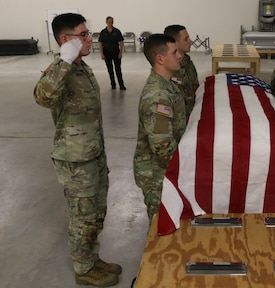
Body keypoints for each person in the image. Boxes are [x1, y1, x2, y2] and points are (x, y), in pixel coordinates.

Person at [33, 13, 121, 287]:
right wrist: (64, 60)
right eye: (82, 35)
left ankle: (92, 259)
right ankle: (83, 268)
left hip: (94, 153)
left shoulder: (82, 69)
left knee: (96, 212)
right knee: (82, 217)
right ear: (64, 40)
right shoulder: (60, 69)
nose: (89, 39)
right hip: (75, 161)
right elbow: (43, 97)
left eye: (88, 33)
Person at [133, 34, 186, 222]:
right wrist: (188, 167)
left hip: (165, 170)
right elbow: (162, 146)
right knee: (161, 226)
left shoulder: (167, 85)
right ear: (160, 59)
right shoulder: (158, 95)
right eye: (174, 52)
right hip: (157, 174)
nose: (179, 56)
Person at [164, 24, 199, 118]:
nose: (190, 41)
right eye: (186, 39)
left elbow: (195, 87)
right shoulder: (167, 69)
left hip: (190, 117)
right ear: (174, 42)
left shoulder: (187, 62)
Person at [98, 16, 126, 90]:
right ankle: (113, 84)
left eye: (112, 22)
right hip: (106, 53)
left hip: (116, 52)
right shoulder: (103, 32)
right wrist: (102, 54)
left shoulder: (117, 31)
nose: (111, 23)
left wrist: (120, 52)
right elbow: (100, 44)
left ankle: (121, 85)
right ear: (106, 22)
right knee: (110, 70)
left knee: (118, 69)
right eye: (109, 22)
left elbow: (121, 42)